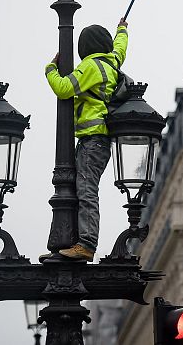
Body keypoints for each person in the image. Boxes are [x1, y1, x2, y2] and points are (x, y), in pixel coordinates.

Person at [43, 18, 128, 261]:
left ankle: (86, 244)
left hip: (92, 139)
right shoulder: (112, 63)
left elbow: (63, 88)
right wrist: (122, 30)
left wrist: (50, 68)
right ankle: (74, 240)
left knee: (86, 191)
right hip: (99, 141)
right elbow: (120, 47)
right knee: (83, 189)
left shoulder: (90, 67)